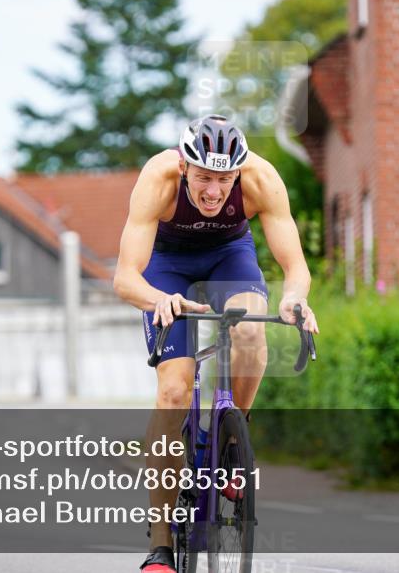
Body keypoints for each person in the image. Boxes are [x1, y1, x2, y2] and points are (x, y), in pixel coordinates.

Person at [112, 114, 320, 573]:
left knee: (249, 330)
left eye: (224, 180)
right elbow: (125, 277)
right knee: (173, 391)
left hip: (229, 256)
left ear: (238, 173)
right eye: (204, 177)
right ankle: (161, 544)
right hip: (166, 266)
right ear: (184, 167)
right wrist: (159, 299)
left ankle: (232, 443)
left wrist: (293, 299)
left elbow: (296, 268)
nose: (213, 191)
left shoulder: (261, 179)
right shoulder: (159, 178)